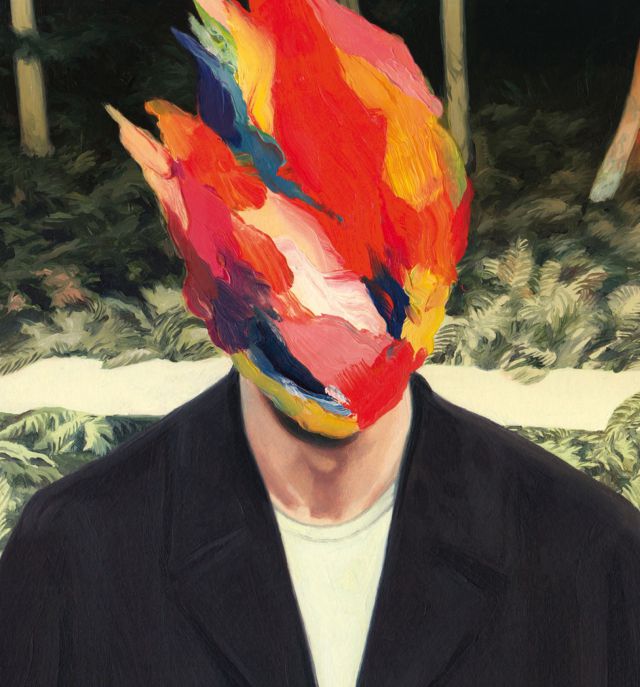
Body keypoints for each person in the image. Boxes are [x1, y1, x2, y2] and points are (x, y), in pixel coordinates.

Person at [1, 1, 639, 685]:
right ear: (204, 273)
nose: (336, 308)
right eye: (280, 241)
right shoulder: (70, 555)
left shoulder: (593, 557)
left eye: (370, 257)